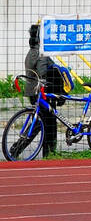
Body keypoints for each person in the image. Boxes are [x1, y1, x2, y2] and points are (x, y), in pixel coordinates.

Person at [22, 24, 60, 157]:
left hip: (33, 91)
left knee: (44, 122)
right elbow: (43, 73)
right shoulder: (41, 53)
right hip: (43, 92)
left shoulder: (31, 51)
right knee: (45, 124)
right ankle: (18, 149)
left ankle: (49, 152)